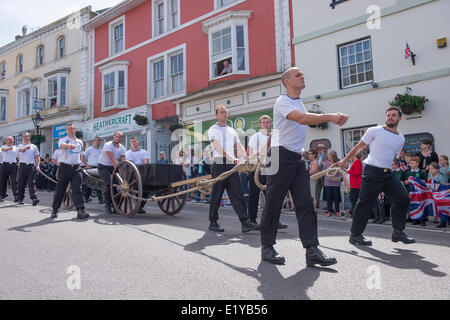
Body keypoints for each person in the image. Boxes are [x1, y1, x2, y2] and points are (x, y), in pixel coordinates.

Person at [260, 67, 347, 266]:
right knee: (273, 203)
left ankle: (312, 250)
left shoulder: (299, 102)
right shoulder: (282, 101)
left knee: (306, 204)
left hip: (298, 158)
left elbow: (304, 117)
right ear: (287, 82)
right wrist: (330, 116)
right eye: (298, 75)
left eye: (302, 74)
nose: (302, 76)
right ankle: (267, 247)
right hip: (280, 156)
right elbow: (301, 118)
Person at [339, 106, 416, 246]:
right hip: (372, 171)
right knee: (365, 203)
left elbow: (394, 156)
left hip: (388, 173)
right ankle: (355, 235)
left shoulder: (401, 138)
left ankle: (398, 232)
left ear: (399, 118)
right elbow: (359, 147)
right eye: (388, 115)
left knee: (403, 198)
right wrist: (344, 161)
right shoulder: (375, 131)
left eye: (393, 115)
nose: (390, 117)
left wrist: (395, 165)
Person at [207, 105, 259, 233]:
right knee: (217, 193)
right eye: (221, 112)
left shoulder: (232, 130)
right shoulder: (213, 129)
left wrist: (246, 158)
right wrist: (231, 157)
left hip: (231, 164)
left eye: (225, 112)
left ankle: (244, 222)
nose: (224, 114)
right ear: (217, 115)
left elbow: (239, 146)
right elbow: (217, 146)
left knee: (237, 193)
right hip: (219, 163)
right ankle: (213, 222)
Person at [248, 115, 288, 229]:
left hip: (272, 168)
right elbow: (251, 153)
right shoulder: (256, 137)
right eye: (263, 122)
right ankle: (252, 220)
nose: (265, 124)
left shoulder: (276, 137)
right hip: (258, 168)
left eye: (267, 122)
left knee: (272, 196)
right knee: (254, 195)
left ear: (271, 124)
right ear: (260, 124)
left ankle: (275, 220)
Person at [51, 124, 89, 219]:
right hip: (65, 167)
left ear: (75, 130)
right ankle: (55, 209)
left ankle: (80, 210)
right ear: (66, 131)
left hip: (76, 168)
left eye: (72, 129)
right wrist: (69, 146)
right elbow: (62, 146)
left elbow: (81, 154)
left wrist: (80, 164)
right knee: (61, 189)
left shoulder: (80, 142)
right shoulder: (63, 140)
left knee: (77, 189)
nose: (70, 130)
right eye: (68, 129)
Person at [97, 131, 126, 214]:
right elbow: (112, 160)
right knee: (109, 184)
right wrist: (120, 169)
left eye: (120, 137)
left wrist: (125, 168)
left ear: (121, 138)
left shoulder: (122, 147)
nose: (118, 138)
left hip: (114, 167)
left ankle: (116, 205)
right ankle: (107, 205)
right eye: (117, 136)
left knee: (119, 186)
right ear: (114, 137)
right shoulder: (108, 145)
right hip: (104, 166)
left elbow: (123, 159)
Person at [125, 137, 150, 214]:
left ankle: (140, 206)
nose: (134, 143)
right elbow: (131, 164)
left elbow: (145, 162)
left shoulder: (144, 151)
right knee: (137, 189)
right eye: (132, 142)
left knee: (147, 190)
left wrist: (144, 171)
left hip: (143, 171)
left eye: (135, 141)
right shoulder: (128, 152)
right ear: (130, 144)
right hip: (133, 173)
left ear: (138, 142)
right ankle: (138, 206)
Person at [17, 133, 40, 206]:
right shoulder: (20, 145)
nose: (24, 137)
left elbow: (37, 157)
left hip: (31, 166)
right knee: (21, 183)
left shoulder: (34, 147)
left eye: (26, 136)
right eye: (23, 136)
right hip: (23, 165)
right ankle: (20, 198)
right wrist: (26, 148)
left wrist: (38, 165)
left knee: (31, 182)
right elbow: (20, 151)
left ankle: (34, 198)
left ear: (29, 137)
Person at [82, 136, 104, 204]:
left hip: (98, 167)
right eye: (95, 140)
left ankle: (100, 199)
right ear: (93, 141)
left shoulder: (101, 150)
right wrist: (86, 165)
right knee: (90, 184)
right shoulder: (90, 149)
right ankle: (86, 197)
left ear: (100, 142)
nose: (97, 142)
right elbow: (82, 157)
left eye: (98, 141)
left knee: (98, 183)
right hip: (90, 167)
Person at [323, 149, 342, 217]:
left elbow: (340, 172)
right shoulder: (326, 163)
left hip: (336, 183)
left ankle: (337, 211)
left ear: (333, 156)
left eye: (329, 155)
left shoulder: (337, 163)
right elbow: (323, 172)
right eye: (328, 155)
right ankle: (329, 211)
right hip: (328, 183)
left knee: (336, 198)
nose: (328, 157)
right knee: (329, 198)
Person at [0, 136, 19, 202]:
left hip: (13, 165)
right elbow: (3, 150)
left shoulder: (16, 148)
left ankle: (16, 195)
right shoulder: (3, 147)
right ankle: (2, 195)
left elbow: (18, 156)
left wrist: (19, 162)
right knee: (3, 181)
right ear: (6, 141)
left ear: (13, 141)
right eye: (8, 140)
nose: (10, 141)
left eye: (11, 140)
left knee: (14, 180)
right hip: (5, 164)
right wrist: (8, 149)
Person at [346, 151, 363, 218]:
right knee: (353, 200)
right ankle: (353, 213)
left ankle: (354, 214)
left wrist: (348, 171)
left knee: (353, 200)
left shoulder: (357, 162)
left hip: (355, 185)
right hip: (354, 184)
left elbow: (358, 173)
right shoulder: (356, 162)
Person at [314, 144, 327, 211]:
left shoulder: (326, 155)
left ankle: (328, 205)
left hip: (324, 175)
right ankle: (317, 204)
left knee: (326, 190)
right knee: (317, 191)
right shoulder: (318, 156)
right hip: (319, 175)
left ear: (324, 149)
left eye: (320, 149)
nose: (319, 150)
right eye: (318, 149)